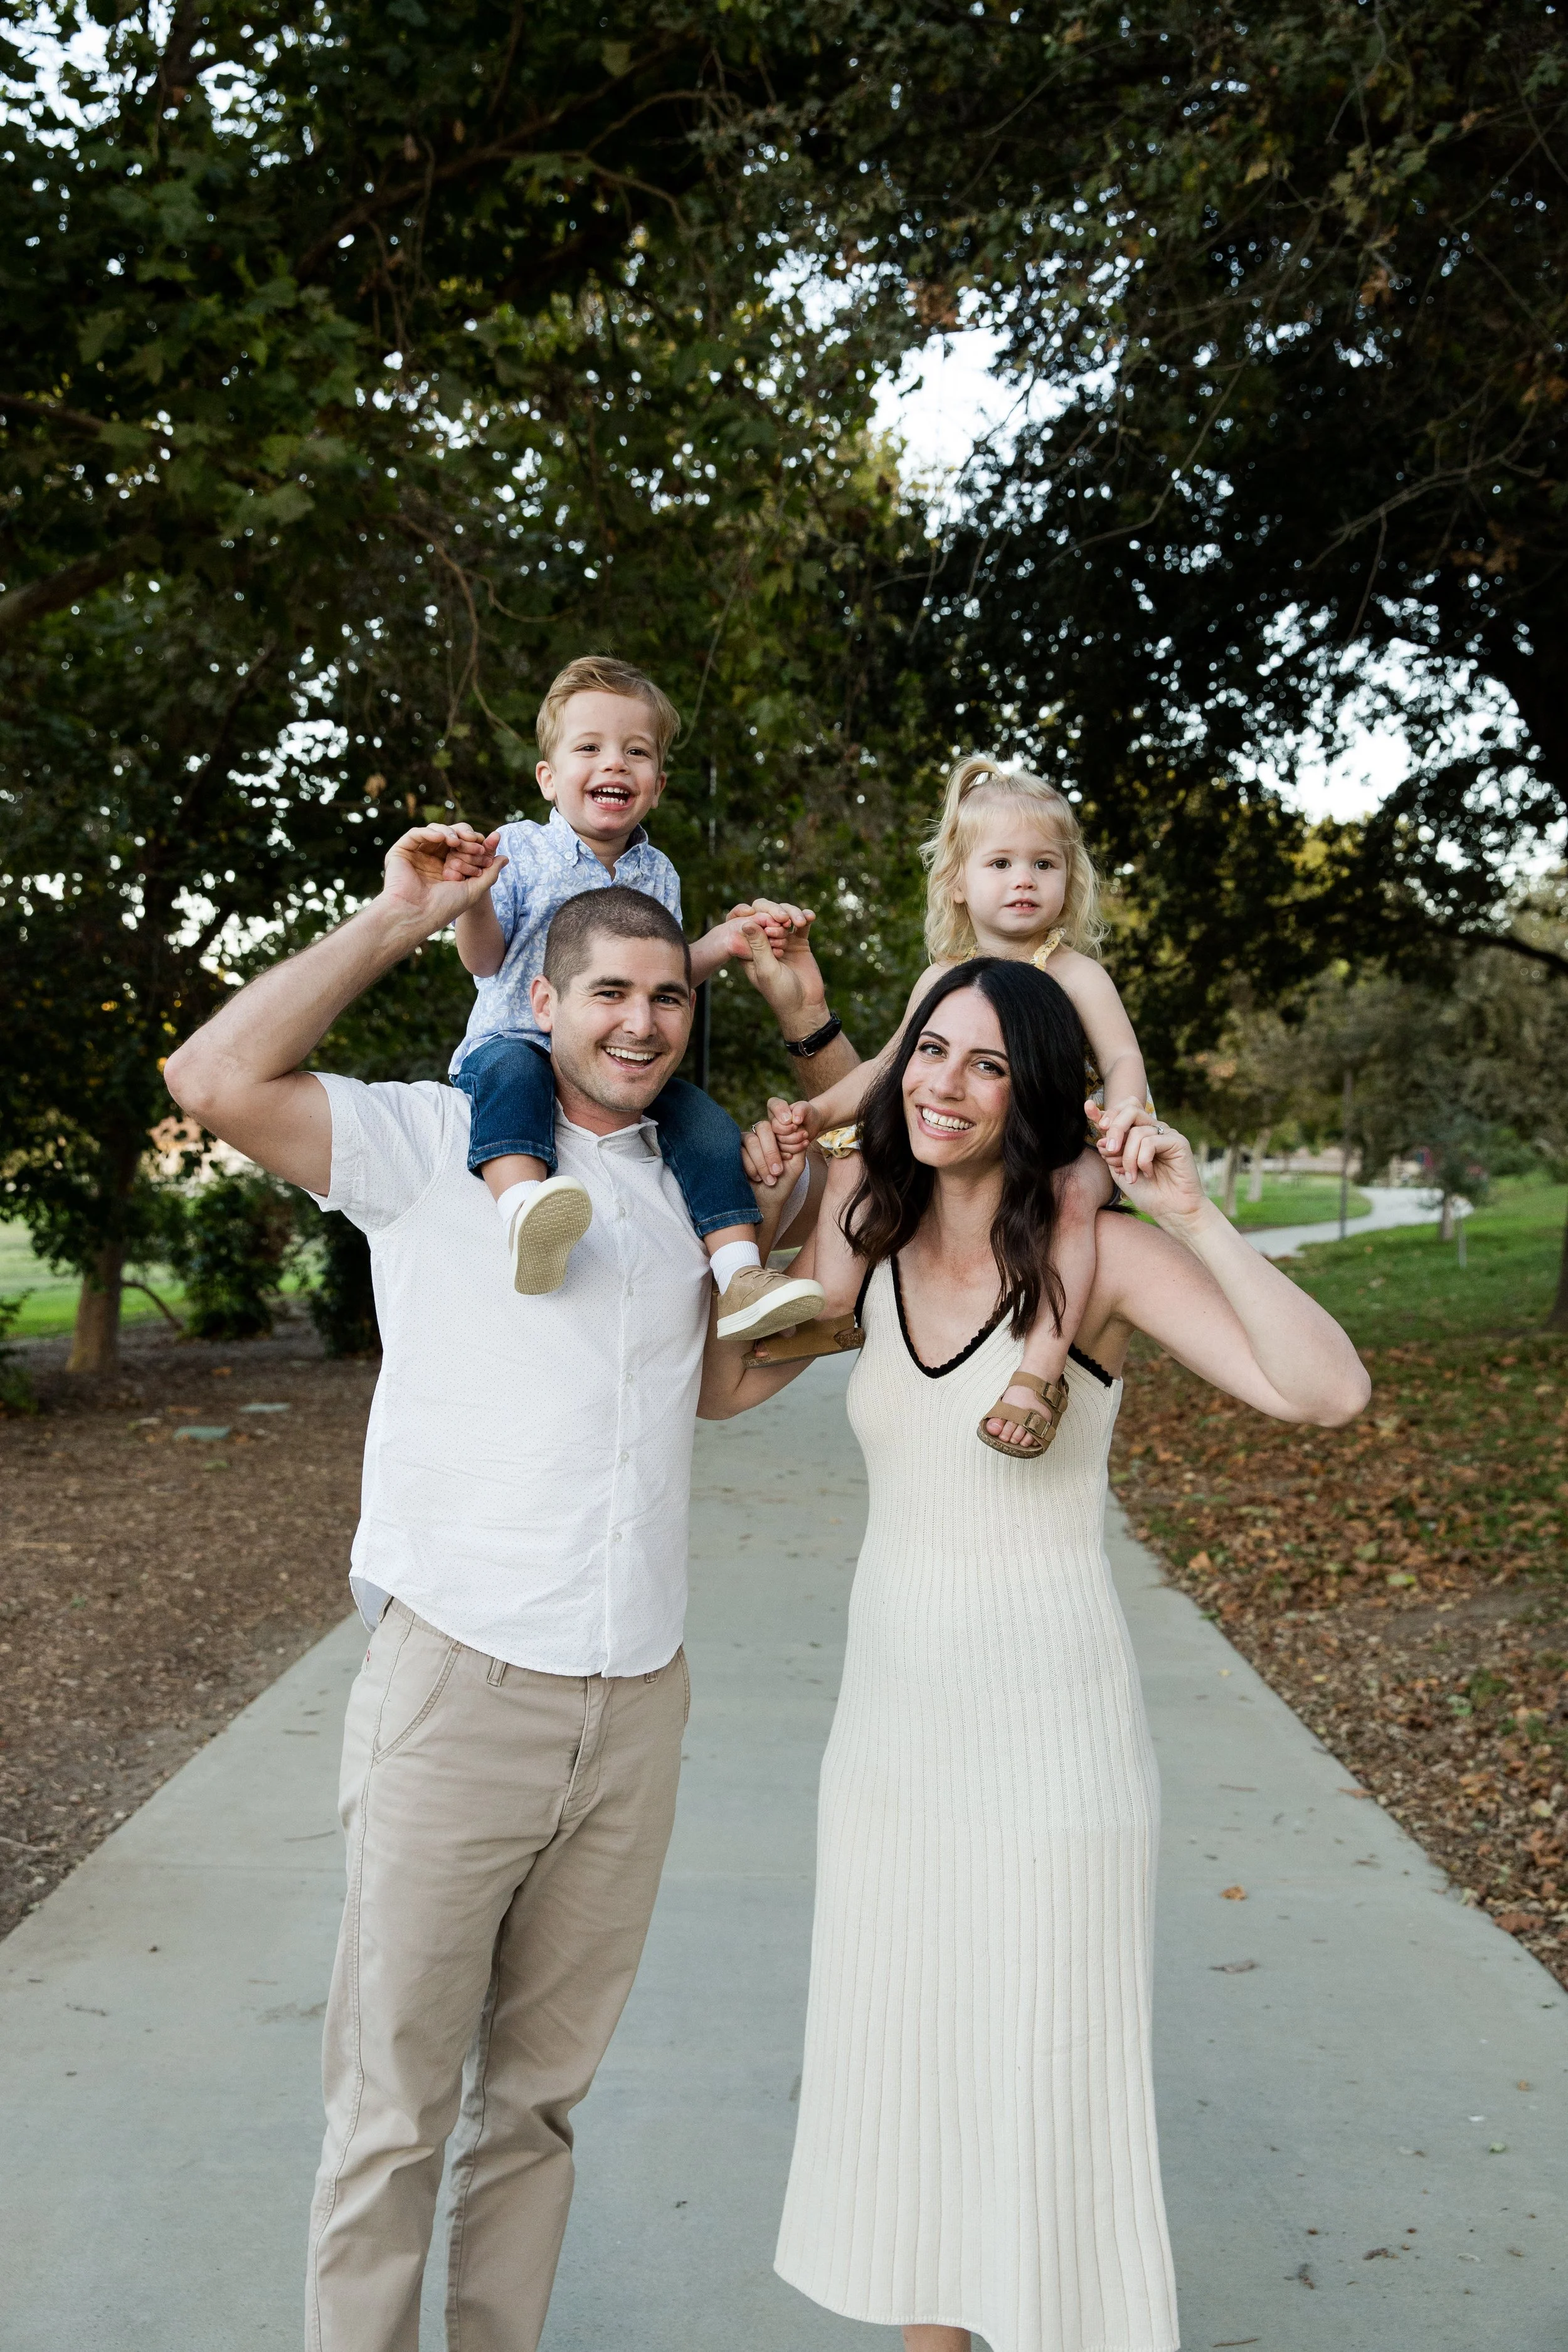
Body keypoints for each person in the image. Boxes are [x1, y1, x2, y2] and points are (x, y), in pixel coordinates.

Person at [160, 829, 853, 2352]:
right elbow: (212, 1077)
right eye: (610, 990)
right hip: (459, 1691)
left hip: (637, 1705)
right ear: (543, 996)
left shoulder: (692, 1176)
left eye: (670, 996)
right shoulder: (433, 1138)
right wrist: (405, 914)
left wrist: (798, 1222)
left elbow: (719, 1389)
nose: (643, 1021)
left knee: (536, 2106)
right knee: (393, 2111)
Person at [704, 956, 1370, 2352]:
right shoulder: (866, 1237)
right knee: (917, 2089)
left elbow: (1324, 1392)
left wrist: (1190, 1209)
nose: (944, 1085)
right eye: (930, 1051)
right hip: (887, 1749)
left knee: (1042, 2095)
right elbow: (716, 1389)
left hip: (1049, 1744)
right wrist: (755, 1201)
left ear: (1035, 1094)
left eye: (987, 1065)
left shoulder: (1104, 1263)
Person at [761, 753, 1159, 1457]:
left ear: (1070, 881)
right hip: (983, 1151)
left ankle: (1039, 1372)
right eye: (1000, 864)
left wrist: (1125, 1111)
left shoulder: (1077, 974)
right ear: (956, 883)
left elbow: (1122, 1058)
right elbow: (890, 1069)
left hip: (1070, 1144)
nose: (1024, 881)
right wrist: (820, 1115)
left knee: (1070, 1198)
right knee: (852, 1157)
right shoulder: (943, 979)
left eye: (1044, 864)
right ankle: (829, 1304)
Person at [443, 650, 824, 1347]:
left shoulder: (657, 871)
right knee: (512, 1077)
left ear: (657, 785)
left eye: (635, 751)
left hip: (620, 1064)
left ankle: (739, 1273)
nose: (614, 763)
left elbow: (668, 977)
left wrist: (726, 940)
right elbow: (485, 960)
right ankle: (525, 1211)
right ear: (549, 778)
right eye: (590, 747)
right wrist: (470, 901)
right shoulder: (520, 851)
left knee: (704, 1123)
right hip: (516, 1039)